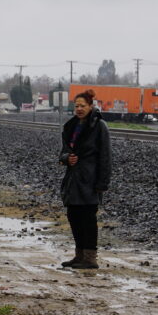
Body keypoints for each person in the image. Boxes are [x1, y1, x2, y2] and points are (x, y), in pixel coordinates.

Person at [58, 89, 112, 269]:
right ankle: (79, 255)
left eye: (83, 106)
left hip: (90, 179)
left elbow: (105, 156)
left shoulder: (99, 126)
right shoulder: (70, 126)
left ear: (91, 106)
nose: (79, 109)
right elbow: (63, 152)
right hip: (73, 179)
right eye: (76, 106)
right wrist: (67, 158)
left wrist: (102, 183)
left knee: (88, 218)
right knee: (74, 216)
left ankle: (90, 258)